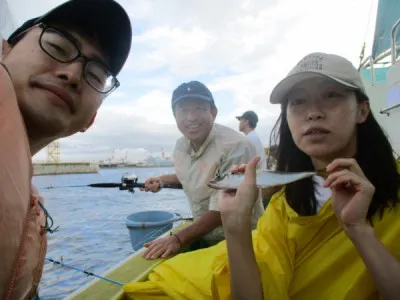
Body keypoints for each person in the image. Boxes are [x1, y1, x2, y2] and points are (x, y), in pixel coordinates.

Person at [123, 52, 400, 300]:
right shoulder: (285, 203)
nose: (313, 113)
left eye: (331, 96)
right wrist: (235, 225)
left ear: (362, 110)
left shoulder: (236, 146)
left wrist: (358, 229)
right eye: (298, 102)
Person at [0, 0, 132, 298]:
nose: (72, 75)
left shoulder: (29, 198)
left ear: (91, 120)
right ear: (3, 51)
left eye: (95, 76)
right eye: (57, 47)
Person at [141, 80, 264, 260]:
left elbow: (225, 207)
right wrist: (162, 180)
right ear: (175, 116)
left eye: (199, 108)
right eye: (183, 110)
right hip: (206, 238)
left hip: (244, 243)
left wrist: (177, 239)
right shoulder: (181, 145)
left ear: (213, 112)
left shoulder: (236, 146)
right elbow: (194, 174)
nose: (191, 117)